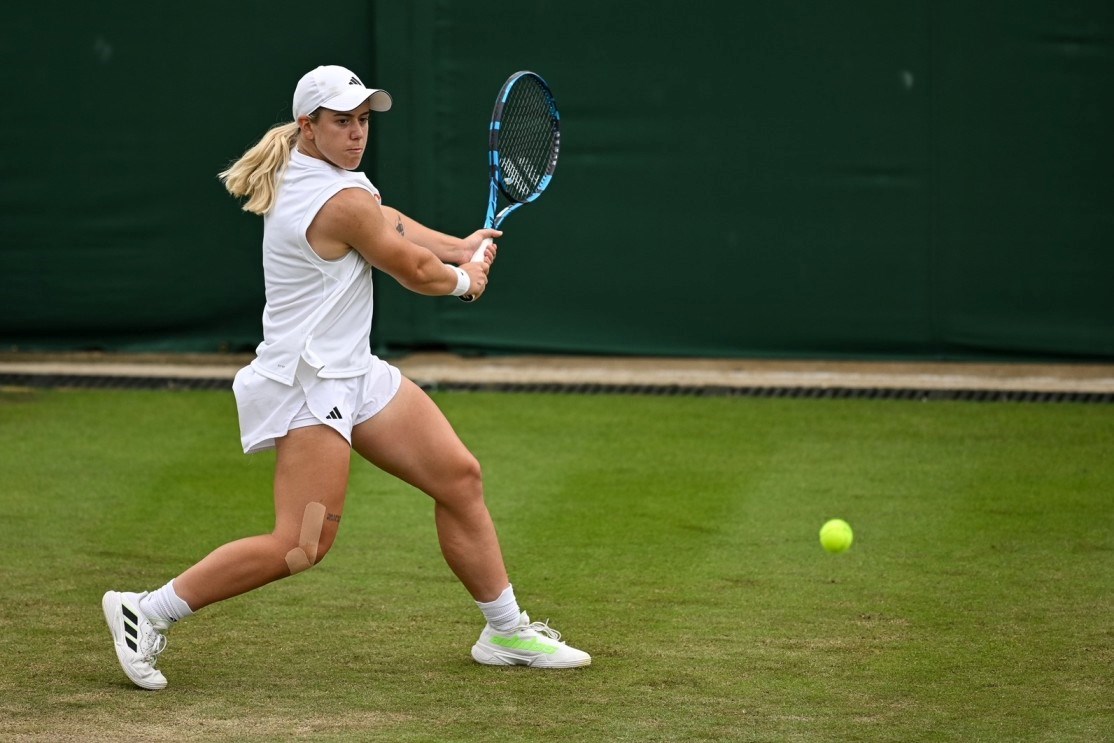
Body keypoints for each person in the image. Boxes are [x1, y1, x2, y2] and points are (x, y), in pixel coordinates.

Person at [102, 64, 590, 690]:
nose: (358, 133)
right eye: (343, 122)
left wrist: (459, 244)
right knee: (299, 546)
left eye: (363, 120)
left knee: (459, 478)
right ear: (309, 126)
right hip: (310, 384)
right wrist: (465, 281)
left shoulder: (329, 176)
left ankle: (505, 631)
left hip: (353, 371)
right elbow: (409, 266)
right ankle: (146, 609)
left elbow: (391, 223)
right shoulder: (335, 199)